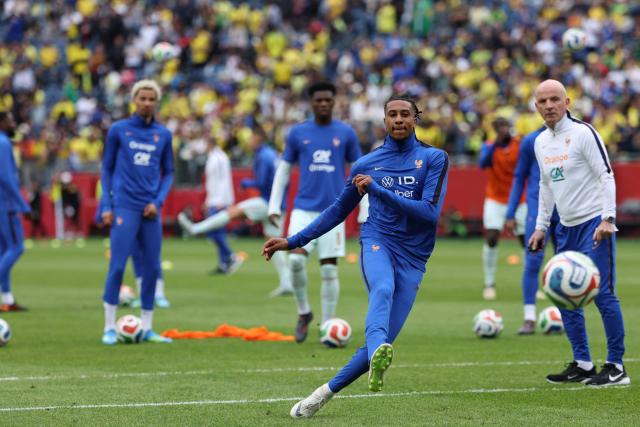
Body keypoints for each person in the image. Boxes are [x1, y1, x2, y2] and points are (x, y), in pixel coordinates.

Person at [262, 94, 448, 418]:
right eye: (393, 114)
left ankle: (320, 395)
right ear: (384, 121)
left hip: (414, 257)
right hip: (378, 240)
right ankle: (379, 350)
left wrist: (378, 190)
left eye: (406, 114)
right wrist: (294, 240)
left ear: (416, 118)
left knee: (378, 343)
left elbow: (429, 214)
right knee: (383, 289)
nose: (400, 120)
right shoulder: (366, 165)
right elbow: (337, 210)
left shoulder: (434, 158)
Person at [529, 79, 629, 386]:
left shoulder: (584, 133)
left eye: (554, 99)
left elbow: (605, 174)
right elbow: (545, 186)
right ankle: (583, 363)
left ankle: (616, 366)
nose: (549, 105)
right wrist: (540, 227)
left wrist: (607, 218)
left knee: (602, 293)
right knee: (564, 295)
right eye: (543, 101)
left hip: (593, 224)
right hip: (565, 228)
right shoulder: (540, 142)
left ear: (567, 102)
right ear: (536, 106)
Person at [267, 81, 365, 343]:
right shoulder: (299, 133)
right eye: (318, 100)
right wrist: (274, 205)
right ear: (311, 103)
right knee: (296, 260)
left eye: (328, 100)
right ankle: (303, 312)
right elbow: (284, 169)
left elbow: (361, 173)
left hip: (335, 211)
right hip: (303, 209)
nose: (323, 104)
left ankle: (328, 325)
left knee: (329, 271)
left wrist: (364, 211)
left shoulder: (345, 133)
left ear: (334, 102)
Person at [99, 79, 174, 345]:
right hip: (124, 206)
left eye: (151, 99)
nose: (146, 103)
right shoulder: (119, 130)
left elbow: (169, 173)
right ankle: (109, 326)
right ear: (134, 100)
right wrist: (106, 205)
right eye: (142, 98)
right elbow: (106, 169)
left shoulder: (163, 134)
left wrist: (159, 200)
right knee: (117, 266)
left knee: (152, 267)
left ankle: (148, 327)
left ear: (157, 102)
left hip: (150, 210)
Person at [178, 126, 292, 296]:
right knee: (274, 244)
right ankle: (287, 283)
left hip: (267, 202)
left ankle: (195, 228)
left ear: (258, 138)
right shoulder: (272, 154)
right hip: (278, 205)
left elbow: (262, 182)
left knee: (232, 212)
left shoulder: (263, 156)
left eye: (251, 138)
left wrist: (248, 183)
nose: (248, 141)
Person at [505, 126, 559, 335]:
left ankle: (563, 314)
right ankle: (529, 318)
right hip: (536, 211)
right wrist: (510, 213)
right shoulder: (531, 141)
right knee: (533, 260)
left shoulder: (576, 135)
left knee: (563, 262)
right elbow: (519, 177)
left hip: (566, 211)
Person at [478, 117, 526, 301]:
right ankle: (489, 283)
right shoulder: (489, 146)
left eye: (506, 126)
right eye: (500, 128)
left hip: (518, 199)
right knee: (491, 237)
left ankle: (531, 283)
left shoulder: (519, 145)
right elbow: (483, 163)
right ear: (495, 130)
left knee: (526, 240)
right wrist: (495, 144)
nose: (504, 130)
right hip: (495, 199)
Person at [0, 111, 30, 312]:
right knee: (16, 247)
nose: (14, 124)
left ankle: (7, 299)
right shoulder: (3, 143)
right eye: (10, 120)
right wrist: (23, 204)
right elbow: (6, 177)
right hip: (6, 204)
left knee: (3, 251)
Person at [201, 137, 243, 275]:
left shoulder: (219, 158)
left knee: (214, 231)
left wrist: (220, 201)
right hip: (214, 199)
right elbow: (212, 182)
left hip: (219, 200)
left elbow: (222, 180)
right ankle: (223, 263)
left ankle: (231, 256)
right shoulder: (214, 157)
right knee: (217, 231)